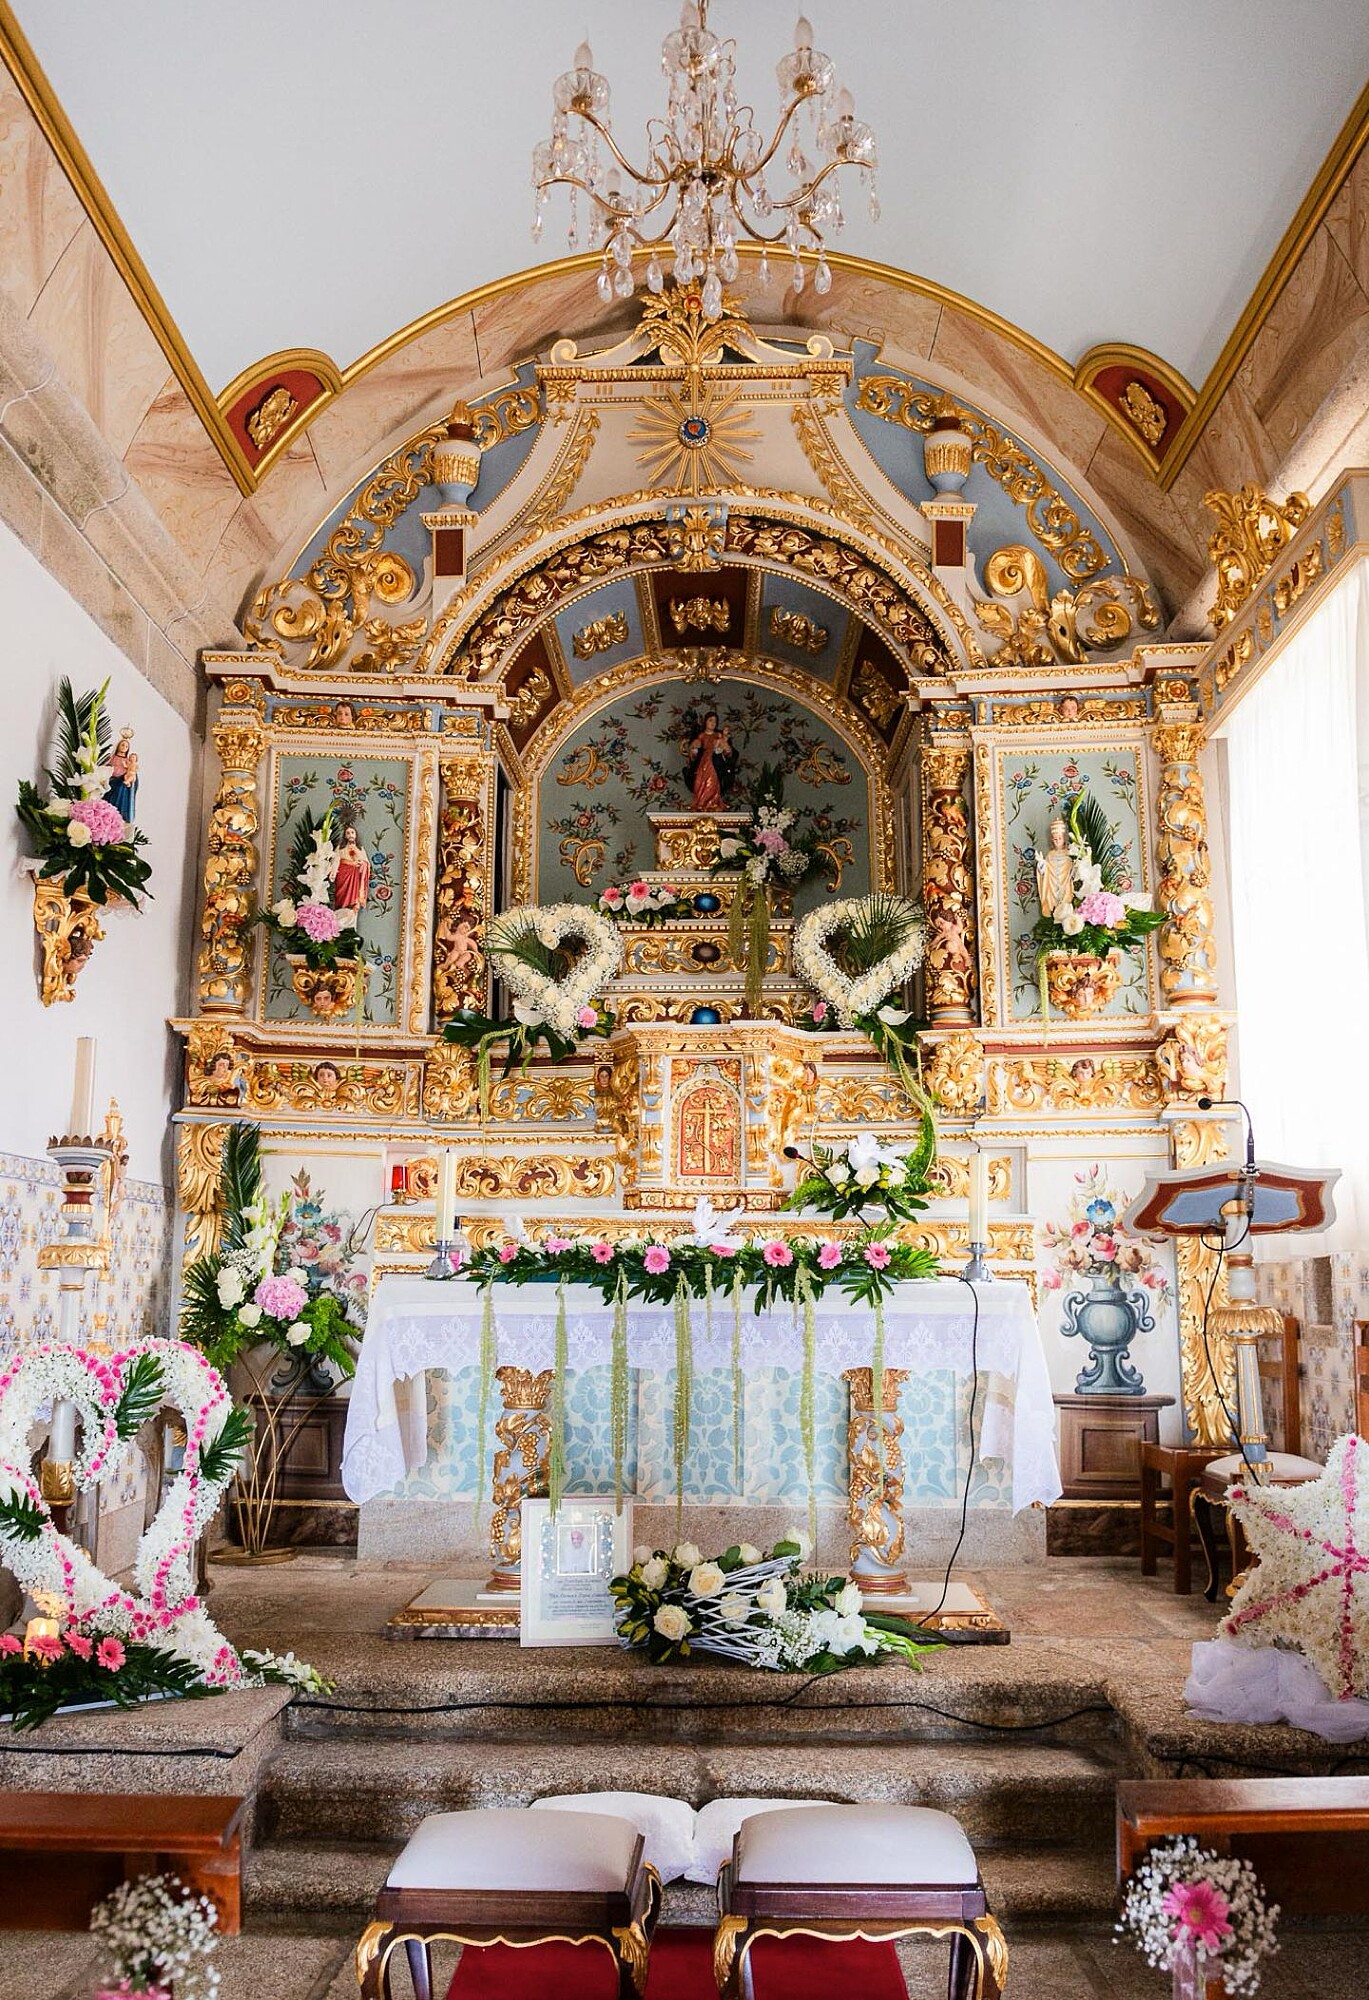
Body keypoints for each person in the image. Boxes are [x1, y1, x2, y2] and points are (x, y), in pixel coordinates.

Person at [683, 711, 736, 810]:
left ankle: (712, 801)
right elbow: (695, 750)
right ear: (705, 722)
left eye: (715, 721)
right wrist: (694, 749)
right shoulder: (701, 736)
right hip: (704, 760)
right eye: (710, 720)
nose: (713, 723)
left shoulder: (718, 735)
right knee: (700, 780)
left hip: (715, 760)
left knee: (712, 780)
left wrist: (723, 745)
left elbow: (725, 749)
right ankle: (701, 801)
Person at [1035, 815, 1076, 923]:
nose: (1057, 841)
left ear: (1064, 838)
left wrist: (1075, 869)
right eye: (1055, 839)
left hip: (1066, 888)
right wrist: (1041, 864)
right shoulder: (1050, 855)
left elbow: (1074, 874)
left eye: (1059, 838)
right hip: (1052, 889)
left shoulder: (1070, 853)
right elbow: (1045, 873)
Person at [331, 823, 371, 910]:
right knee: (341, 902)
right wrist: (333, 873)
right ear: (345, 836)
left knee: (353, 905)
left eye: (352, 832)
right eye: (348, 833)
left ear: (356, 835)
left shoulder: (360, 849)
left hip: (355, 880)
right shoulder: (340, 848)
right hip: (343, 877)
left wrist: (361, 864)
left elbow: (366, 863)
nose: (350, 835)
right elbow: (335, 861)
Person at [104, 729, 139, 823]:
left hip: (121, 784)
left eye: (126, 746)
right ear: (118, 746)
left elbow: (133, 773)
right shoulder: (111, 758)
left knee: (121, 788)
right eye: (122, 745)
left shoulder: (129, 761)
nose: (124, 747)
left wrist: (129, 780)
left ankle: (119, 816)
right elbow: (105, 768)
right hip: (110, 782)